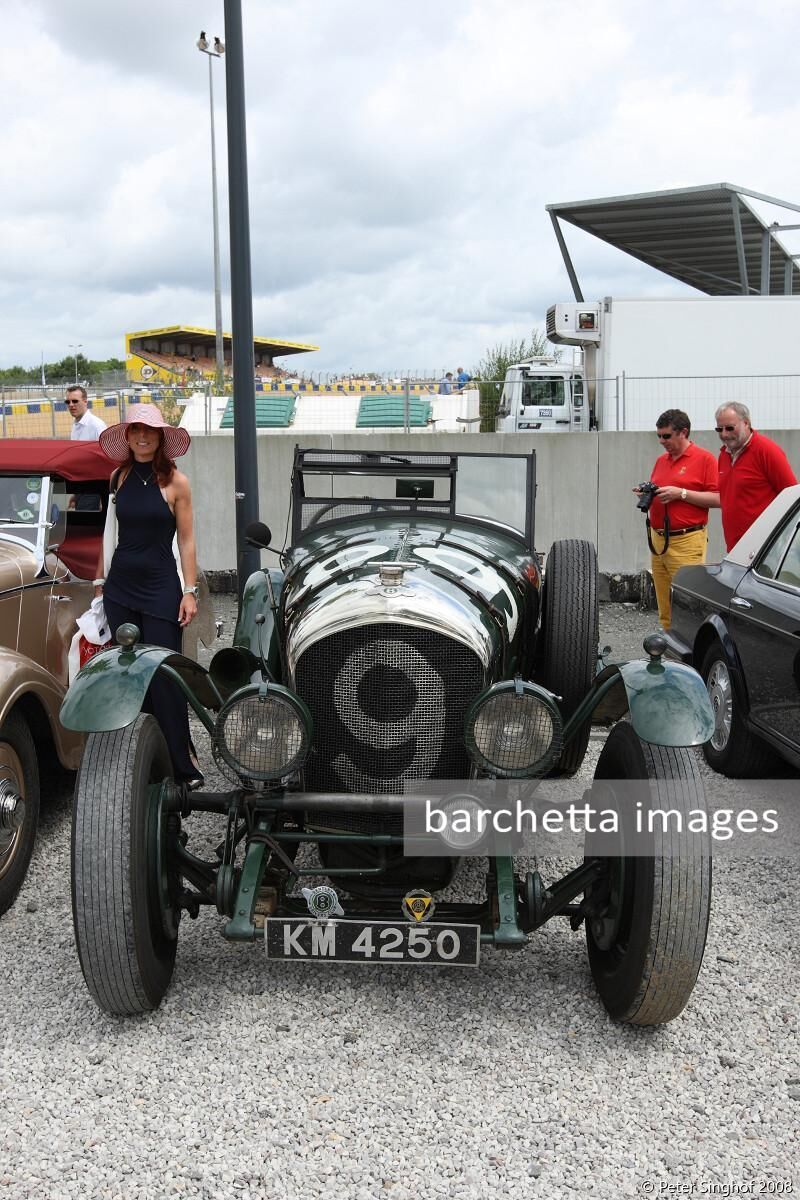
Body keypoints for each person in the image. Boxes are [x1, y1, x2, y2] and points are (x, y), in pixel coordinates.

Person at [95, 405, 202, 787]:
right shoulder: (118, 476)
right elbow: (109, 534)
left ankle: (182, 767)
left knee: (164, 674)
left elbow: (187, 541)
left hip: (161, 587)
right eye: (135, 430)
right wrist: (99, 580)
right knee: (126, 676)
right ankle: (137, 766)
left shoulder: (177, 482)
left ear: (160, 437)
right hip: (120, 586)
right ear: (127, 436)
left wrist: (189, 591)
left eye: (149, 431)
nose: (142, 436)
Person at [636, 409, 719, 631]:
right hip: (658, 539)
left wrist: (681, 493)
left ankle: (689, 650)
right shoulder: (661, 460)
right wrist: (647, 493)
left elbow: (719, 498)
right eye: (659, 436)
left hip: (686, 540)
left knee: (686, 600)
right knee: (664, 600)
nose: (662, 441)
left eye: (666, 436)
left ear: (683, 432)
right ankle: (667, 645)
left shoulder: (705, 459)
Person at [715, 402, 797, 551]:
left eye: (729, 428)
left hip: (766, 548)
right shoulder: (724, 455)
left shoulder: (767, 451)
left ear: (746, 423)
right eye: (719, 429)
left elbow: (791, 496)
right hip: (735, 548)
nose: (724, 434)